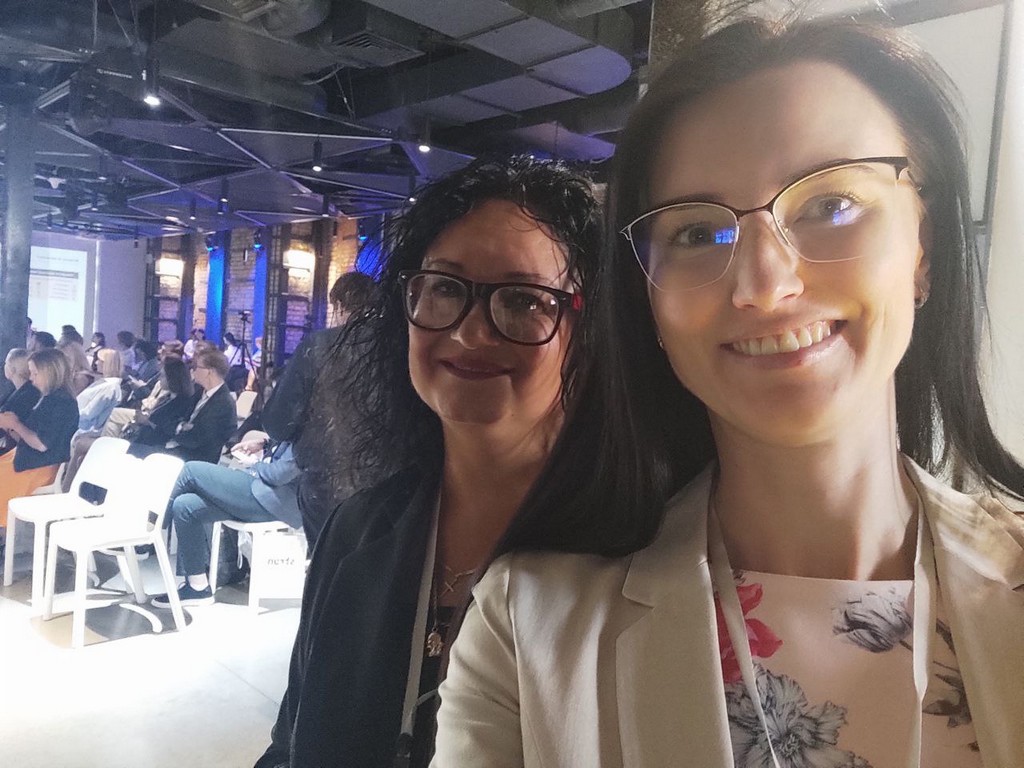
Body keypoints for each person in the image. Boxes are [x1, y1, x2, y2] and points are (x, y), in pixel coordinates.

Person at [432, 18, 1024, 768]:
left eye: (830, 205)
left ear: (922, 251)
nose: (764, 285)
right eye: (696, 233)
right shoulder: (528, 629)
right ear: (648, 302)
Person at [254, 156, 602, 768]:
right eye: (444, 288)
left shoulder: (632, 557)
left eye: (524, 301)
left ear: (587, 329)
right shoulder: (358, 529)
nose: (470, 333)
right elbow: (290, 744)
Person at [260, 270, 379, 544]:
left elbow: (279, 422)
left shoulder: (320, 345)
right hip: (387, 487)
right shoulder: (400, 346)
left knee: (328, 562)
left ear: (339, 306)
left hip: (327, 484)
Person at [152, 438, 303, 607]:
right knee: (185, 505)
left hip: (273, 502)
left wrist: (254, 463)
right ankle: (197, 588)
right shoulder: (299, 428)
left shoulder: (310, 435)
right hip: (259, 490)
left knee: (190, 469)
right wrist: (265, 443)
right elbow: (284, 447)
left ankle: (149, 529)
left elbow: (279, 475)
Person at [0, 349, 79, 539]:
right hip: (27, 459)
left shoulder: (61, 403)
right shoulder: (51, 398)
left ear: (50, 372)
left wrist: (15, 424)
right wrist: (12, 426)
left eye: (35, 373)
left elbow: (42, 444)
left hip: (39, 467)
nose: (31, 379)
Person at [130, 348, 235, 464]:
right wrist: (181, 426)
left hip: (194, 457)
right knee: (136, 444)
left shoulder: (223, 404)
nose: (192, 370)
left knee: (134, 452)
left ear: (210, 372)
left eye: (196, 367)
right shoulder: (199, 390)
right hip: (176, 444)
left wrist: (178, 427)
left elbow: (195, 439)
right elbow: (175, 418)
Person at [61, 349, 124, 491]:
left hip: (86, 427)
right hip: (79, 422)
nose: (95, 363)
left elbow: (90, 413)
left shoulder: (110, 387)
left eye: (99, 361)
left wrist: (67, 415)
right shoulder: (105, 384)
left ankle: (65, 487)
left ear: (107, 364)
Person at [0, 350, 40, 456]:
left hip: (16, 452)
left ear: (12, 369)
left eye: (6, 363)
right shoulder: (19, 390)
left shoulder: (27, 396)